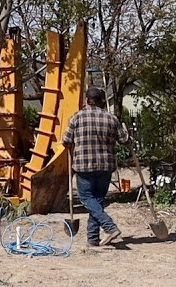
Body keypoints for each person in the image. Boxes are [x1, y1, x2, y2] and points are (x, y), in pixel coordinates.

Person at [62, 87, 126, 247]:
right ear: (102, 101)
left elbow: (66, 140)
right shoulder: (112, 118)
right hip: (105, 166)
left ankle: (110, 227)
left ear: (86, 100)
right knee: (97, 200)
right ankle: (92, 239)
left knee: (86, 199)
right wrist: (125, 131)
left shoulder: (77, 117)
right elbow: (124, 140)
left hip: (84, 166)